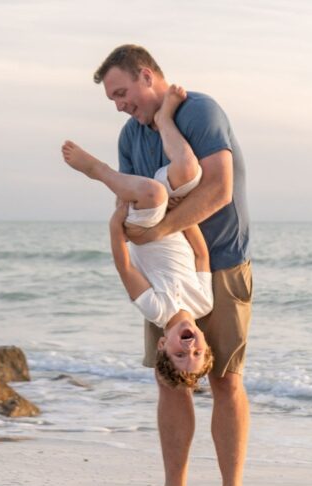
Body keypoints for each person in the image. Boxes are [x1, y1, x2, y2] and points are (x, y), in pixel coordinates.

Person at [93, 44, 252, 486]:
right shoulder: (129, 136)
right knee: (170, 379)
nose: (121, 105)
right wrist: (132, 239)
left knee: (225, 379)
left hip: (221, 262)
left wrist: (158, 230)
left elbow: (219, 189)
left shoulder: (200, 111)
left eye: (123, 92)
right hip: (160, 272)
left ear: (147, 76)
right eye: (114, 100)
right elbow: (132, 203)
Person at [62, 84, 215, 388]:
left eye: (180, 355)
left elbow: (126, 268)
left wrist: (116, 225)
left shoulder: (155, 309)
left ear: (163, 345)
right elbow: (201, 254)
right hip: (171, 217)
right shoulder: (204, 302)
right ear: (205, 342)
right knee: (188, 170)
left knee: (154, 192)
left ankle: (98, 170)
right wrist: (181, 217)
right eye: (197, 352)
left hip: (141, 228)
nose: (188, 348)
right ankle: (164, 120)